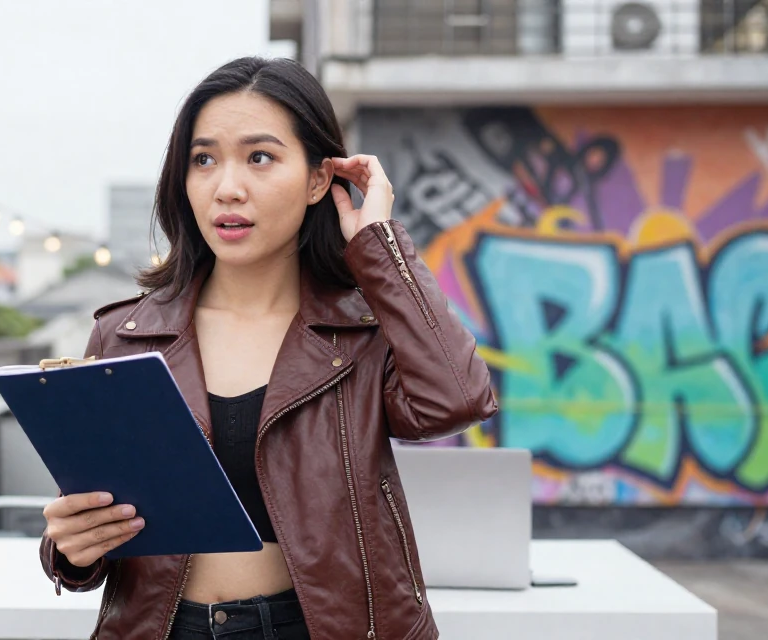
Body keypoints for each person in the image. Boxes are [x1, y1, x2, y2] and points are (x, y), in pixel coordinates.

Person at [39, 56, 497, 640]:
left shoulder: (363, 331)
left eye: (260, 157)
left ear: (316, 179)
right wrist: (73, 547)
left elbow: (455, 401)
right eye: (203, 160)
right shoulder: (124, 335)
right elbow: (89, 529)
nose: (228, 188)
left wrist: (378, 247)